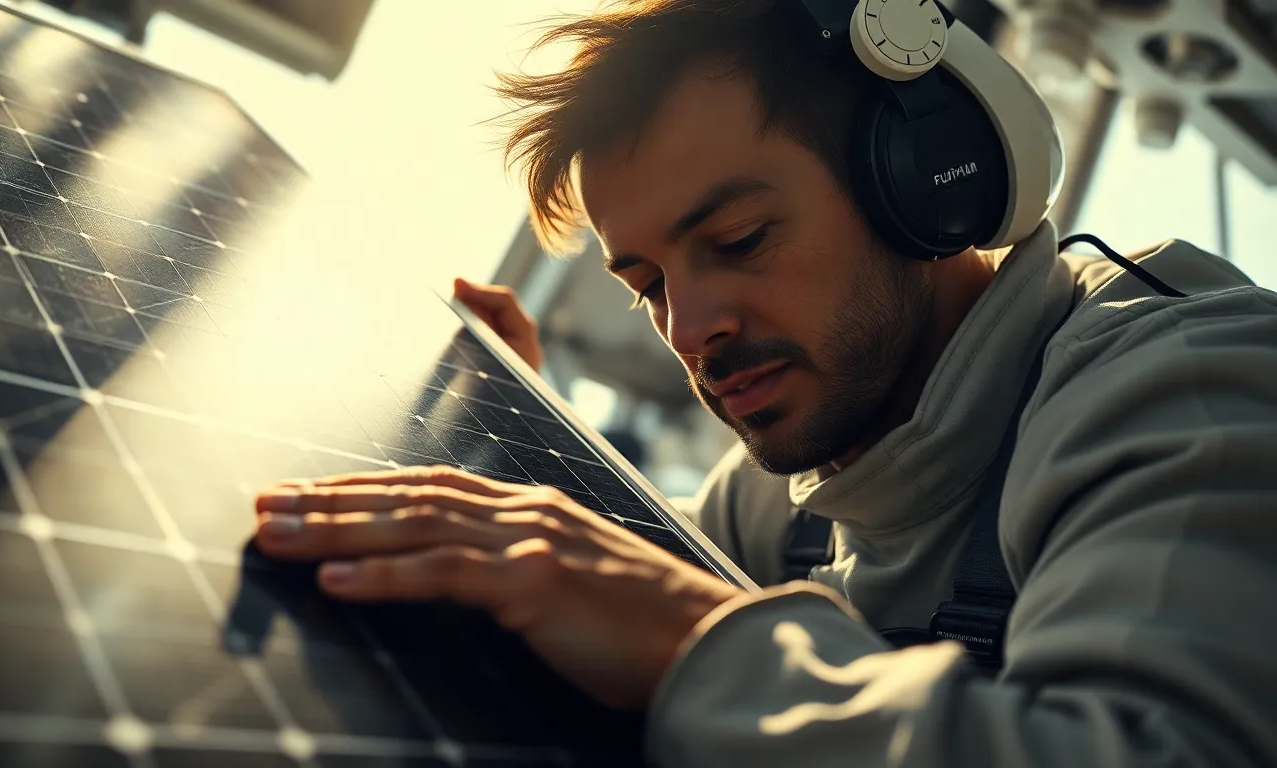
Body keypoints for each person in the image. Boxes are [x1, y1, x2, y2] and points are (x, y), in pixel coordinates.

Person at [250, 0, 1277, 765]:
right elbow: (612, 579)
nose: (688, 331)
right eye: (646, 284)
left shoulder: (1189, 392)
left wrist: (700, 642)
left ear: (923, 184)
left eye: (738, 239)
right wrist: (516, 432)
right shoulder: (785, 500)